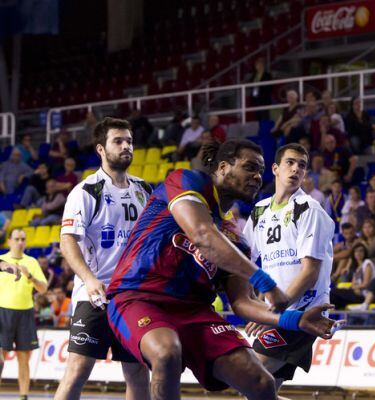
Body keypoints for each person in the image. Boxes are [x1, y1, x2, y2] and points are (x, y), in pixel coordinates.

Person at [105, 140, 337, 399]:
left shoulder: (236, 235)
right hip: (139, 297)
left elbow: (241, 303)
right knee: (166, 353)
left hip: (195, 312)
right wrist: (265, 282)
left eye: (260, 171)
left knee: (261, 382)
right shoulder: (187, 181)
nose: (257, 177)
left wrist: (294, 320)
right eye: (250, 168)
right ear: (224, 167)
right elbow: (202, 235)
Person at [53, 117, 153, 400]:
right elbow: (67, 239)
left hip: (133, 296)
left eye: (129, 141)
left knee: (137, 373)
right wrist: (89, 279)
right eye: (118, 141)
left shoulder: (143, 190)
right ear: (101, 149)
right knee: (78, 370)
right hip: (95, 296)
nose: (126, 147)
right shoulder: (85, 191)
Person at [242, 143, 336, 388]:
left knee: (251, 376)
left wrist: (270, 311)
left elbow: (310, 272)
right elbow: (244, 263)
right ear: (275, 168)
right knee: (265, 390)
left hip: (305, 311)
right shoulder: (260, 211)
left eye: (302, 166)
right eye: (290, 163)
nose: (296, 169)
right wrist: (254, 304)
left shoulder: (309, 209)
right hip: (279, 313)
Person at [0, 229, 48, 400]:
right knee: (0, 357)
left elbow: (43, 289)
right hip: (3, 312)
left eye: (23, 239)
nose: (20, 242)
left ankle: (23, 396)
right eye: (17, 239)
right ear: (9, 241)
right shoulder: (2, 261)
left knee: (24, 359)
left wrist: (31, 277)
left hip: (25, 313)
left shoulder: (32, 262)